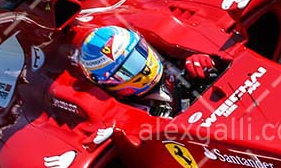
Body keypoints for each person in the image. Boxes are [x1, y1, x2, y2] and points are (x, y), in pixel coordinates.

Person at [76, 25, 217, 116]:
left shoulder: (170, 57)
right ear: (107, 84)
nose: (143, 70)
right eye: (124, 72)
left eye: (137, 57)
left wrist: (211, 62)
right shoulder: (132, 113)